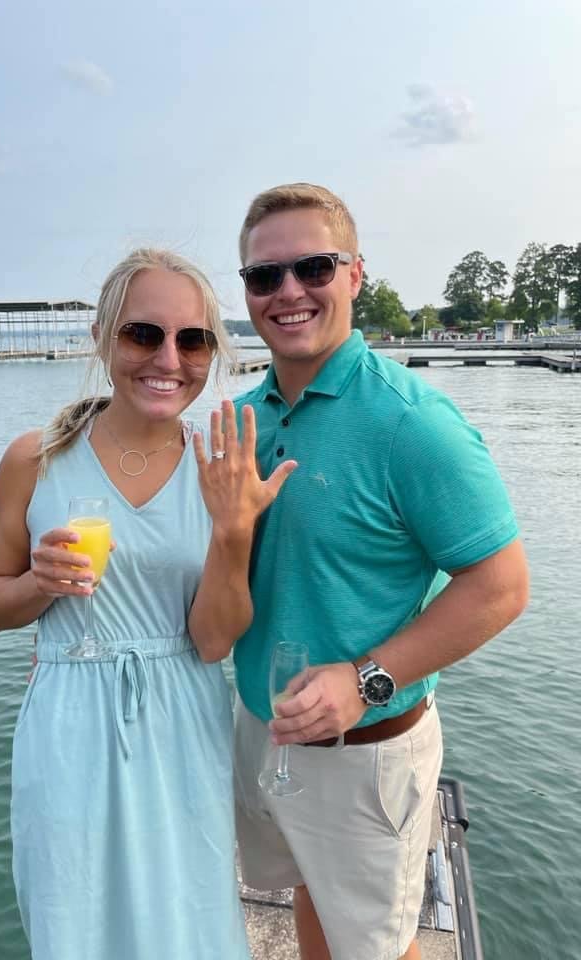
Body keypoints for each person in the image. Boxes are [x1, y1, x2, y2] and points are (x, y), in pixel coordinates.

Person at [230, 183, 530, 960]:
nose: (288, 291)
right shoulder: (242, 420)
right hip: (268, 732)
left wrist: (362, 680)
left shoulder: (412, 423)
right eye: (265, 277)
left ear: (355, 275)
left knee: (378, 943)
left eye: (313, 267)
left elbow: (500, 586)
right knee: (307, 898)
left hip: (364, 751)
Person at [0, 248, 295, 960]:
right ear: (103, 337)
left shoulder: (221, 467)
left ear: (212, 351)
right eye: (143, 334)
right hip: (67, 718)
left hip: (183, 715)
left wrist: (235, 531)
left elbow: (213, 642)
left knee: (186, 911)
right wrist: (37, 584)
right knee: (72, 910)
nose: (169, 360)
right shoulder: (37, 458)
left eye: (193, 339)